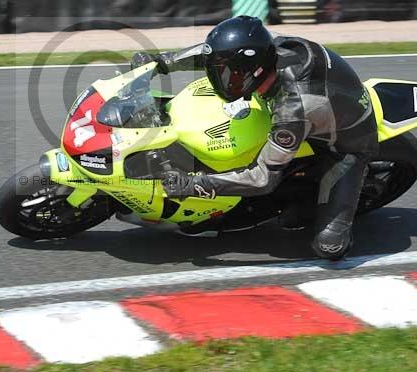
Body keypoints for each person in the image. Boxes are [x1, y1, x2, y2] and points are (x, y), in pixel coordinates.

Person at [131, 16, 378, 260]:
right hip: (322, 105)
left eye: (231, 74)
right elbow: (214, 53)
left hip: (346, 145)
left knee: (328, 248)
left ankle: (325, 211)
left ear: (254, 71)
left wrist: (196, 184)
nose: (224, 79)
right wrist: (162, 62)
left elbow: (262, 179)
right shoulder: (268, 48)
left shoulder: (291, 113)